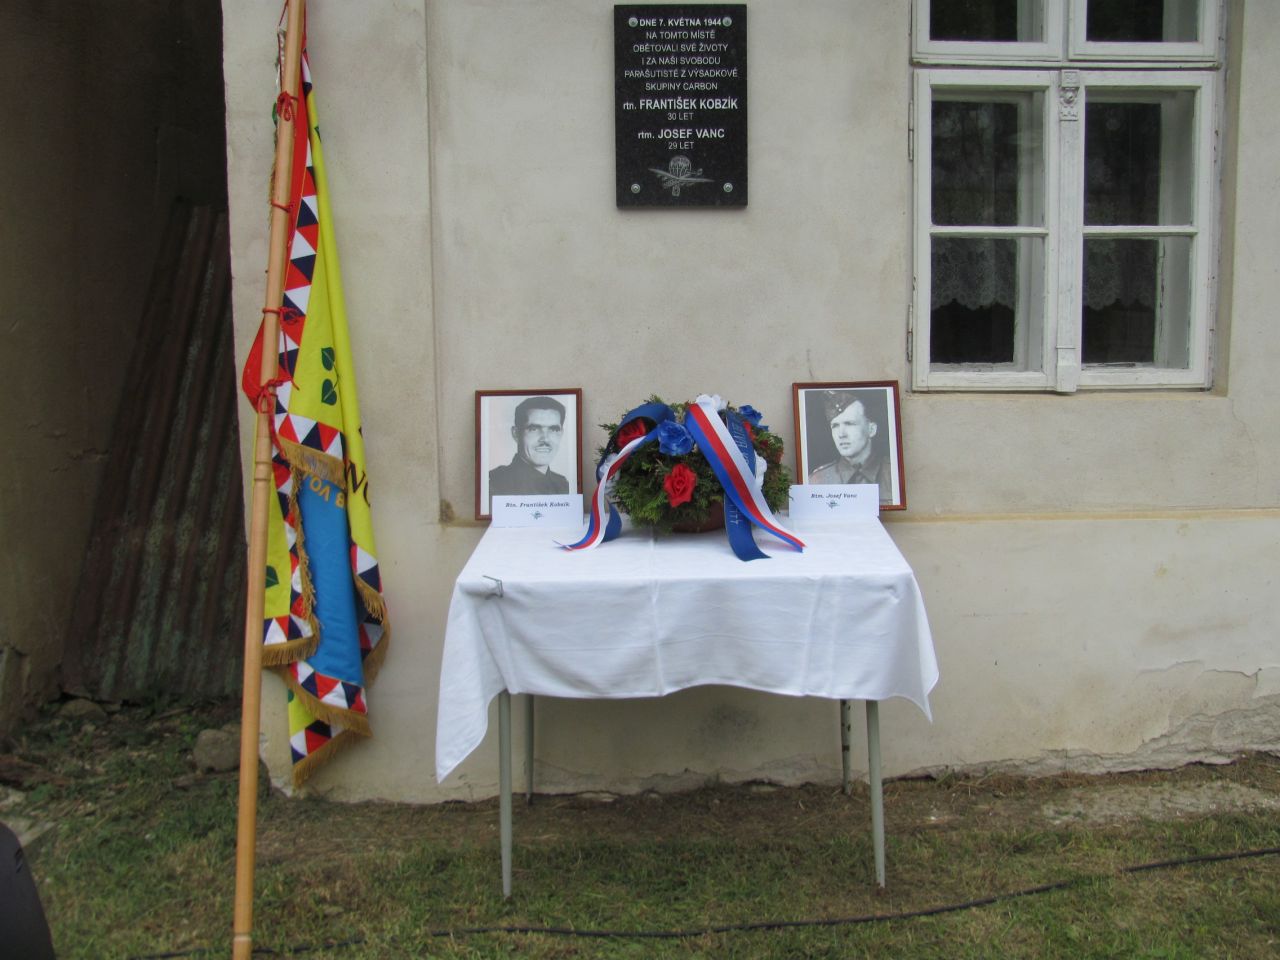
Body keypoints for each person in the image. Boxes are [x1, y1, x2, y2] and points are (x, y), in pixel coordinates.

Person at [807, 391, 892, 502]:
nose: (841, 434)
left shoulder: (893, 475)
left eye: (849, 424)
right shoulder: (818, 480)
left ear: (871, 429)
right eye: (835, 426)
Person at [488, 396, 570, 502]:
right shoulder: (494, 484)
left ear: (561, 433)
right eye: (534, 429)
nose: (545, 439)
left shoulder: (563, 485)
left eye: (553, 429)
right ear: (516, 433)